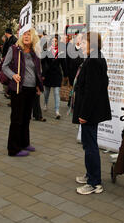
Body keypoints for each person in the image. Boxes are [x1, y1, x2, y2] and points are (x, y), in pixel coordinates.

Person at [72, 32, 112, 195]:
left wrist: (85, 114)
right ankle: (90, 174)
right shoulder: (94, 58)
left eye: (83, 43)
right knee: (89, 144)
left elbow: (92, 91)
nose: (80, 45)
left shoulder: (94, 61)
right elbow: (104, 82)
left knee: (90, 146)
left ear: (92, 44)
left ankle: (94, 183)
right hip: (91, 110)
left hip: (90, 111)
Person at [2, 28, 44, 157]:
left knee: (26, 117)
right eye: (24, 34)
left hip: (31, 89)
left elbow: (38, 70)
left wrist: (38, 85)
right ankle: (13, 149)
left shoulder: (34, 52)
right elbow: (4, 66)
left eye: (29, 34)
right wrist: (13, 75)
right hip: (18, 89)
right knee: (17, 119)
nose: (26, 36)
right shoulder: (15, 49)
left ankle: (24, 143)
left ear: (33, 38)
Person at [41, 34, 68, 119]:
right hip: (48, 74)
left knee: (56, 93)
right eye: (53, 41)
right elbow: (43, 62)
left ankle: (57, 111)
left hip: (57, 74)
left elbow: (64, 64)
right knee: (46, 92)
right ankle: (45, 104)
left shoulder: (61, 51)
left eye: (56, 41)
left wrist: (66, 75)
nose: (54, 42)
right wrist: (43, 74)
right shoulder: (46, 50)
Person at [66, 33, 84, 100]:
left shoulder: (83, 49)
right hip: (72, 73)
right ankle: (71, 104)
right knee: (72, 90)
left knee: (78, 90)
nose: (79, 39)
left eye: (81, 38)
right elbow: (67, 61)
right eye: (78, 38)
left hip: (81, 73)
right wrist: (67, 73)